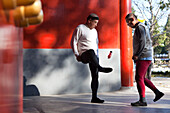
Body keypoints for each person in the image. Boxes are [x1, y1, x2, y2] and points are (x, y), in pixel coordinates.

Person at [71, 13, 112, 103]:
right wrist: (76, 54)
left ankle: (94, 97)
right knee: (90, 51)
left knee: (95, 76)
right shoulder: (80, 28)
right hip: (84, 55)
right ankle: (100, 67)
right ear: (89, 21)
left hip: (94, 56)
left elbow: (96, 44)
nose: (96, 25)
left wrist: (97, 56)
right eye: (95, 22)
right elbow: (74, 41)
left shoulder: (94, 31)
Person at [125, 13, 164, 106]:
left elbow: (143, 41)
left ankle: (142, 100)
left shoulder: (140, 27)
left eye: (128, 23)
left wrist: (137, 54)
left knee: (138, 78)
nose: (128, 25)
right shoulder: (142, 27)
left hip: (143, 56)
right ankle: (157, 93)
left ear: (132, 20)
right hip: (145, 56)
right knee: (141, 77)